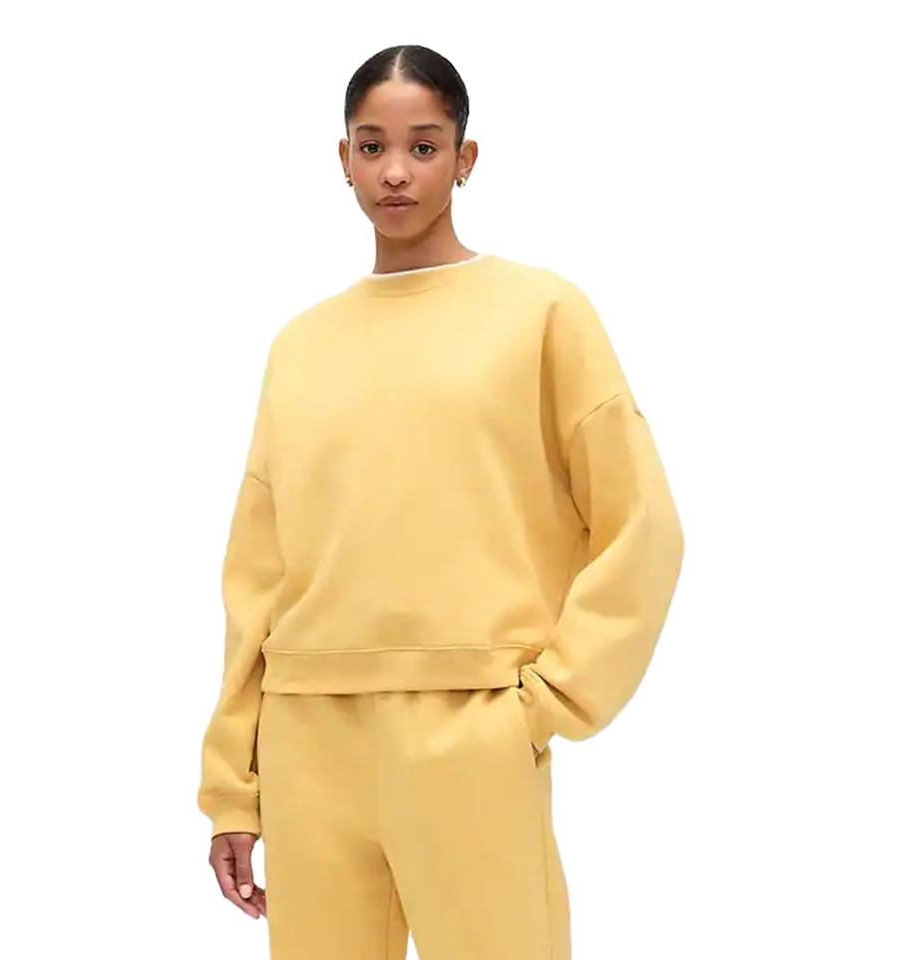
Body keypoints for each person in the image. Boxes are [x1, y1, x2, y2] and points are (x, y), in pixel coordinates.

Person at [197, 44, 684, 960]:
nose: (395, 170)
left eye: (423, 146)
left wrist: (546, 701)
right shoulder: (300, 347)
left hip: (472, 730)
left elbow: (642, 525)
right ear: (342, 158)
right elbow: (256, 574)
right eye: (372, 145)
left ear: (466, 158)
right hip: (307, 741)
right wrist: (233, 785)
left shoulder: (541, 313)